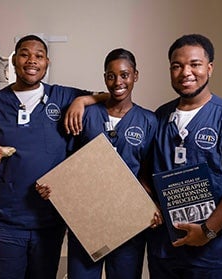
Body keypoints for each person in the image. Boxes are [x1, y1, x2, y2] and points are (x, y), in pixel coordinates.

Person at [0, 34, 107, 279]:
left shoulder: (62, 97)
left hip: (47, 223)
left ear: (47, 63)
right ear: (14, 60)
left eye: (39, 56)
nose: (32, 60)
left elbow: (109, 96)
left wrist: (81, 101)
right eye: (24, 54)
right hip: (2, 222)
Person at [37, 48, 162, 278]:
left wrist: (152, 202)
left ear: (135, 76)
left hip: (128, 221)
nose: (118, 82)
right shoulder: (85, 114)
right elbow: (67, 162)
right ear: (104, 78)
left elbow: (148, 169)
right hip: (87, 218)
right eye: (111, 75)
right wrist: (53, 187)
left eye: (124, 75)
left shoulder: (149, 120)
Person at [146, 34, 222, 278]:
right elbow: (145, 172)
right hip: (164, 251)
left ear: (209, 68)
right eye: (177, 66)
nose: (185, 72)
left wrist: (207, 231)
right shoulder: (159, 117)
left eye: (195, 64)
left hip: (209, 255)